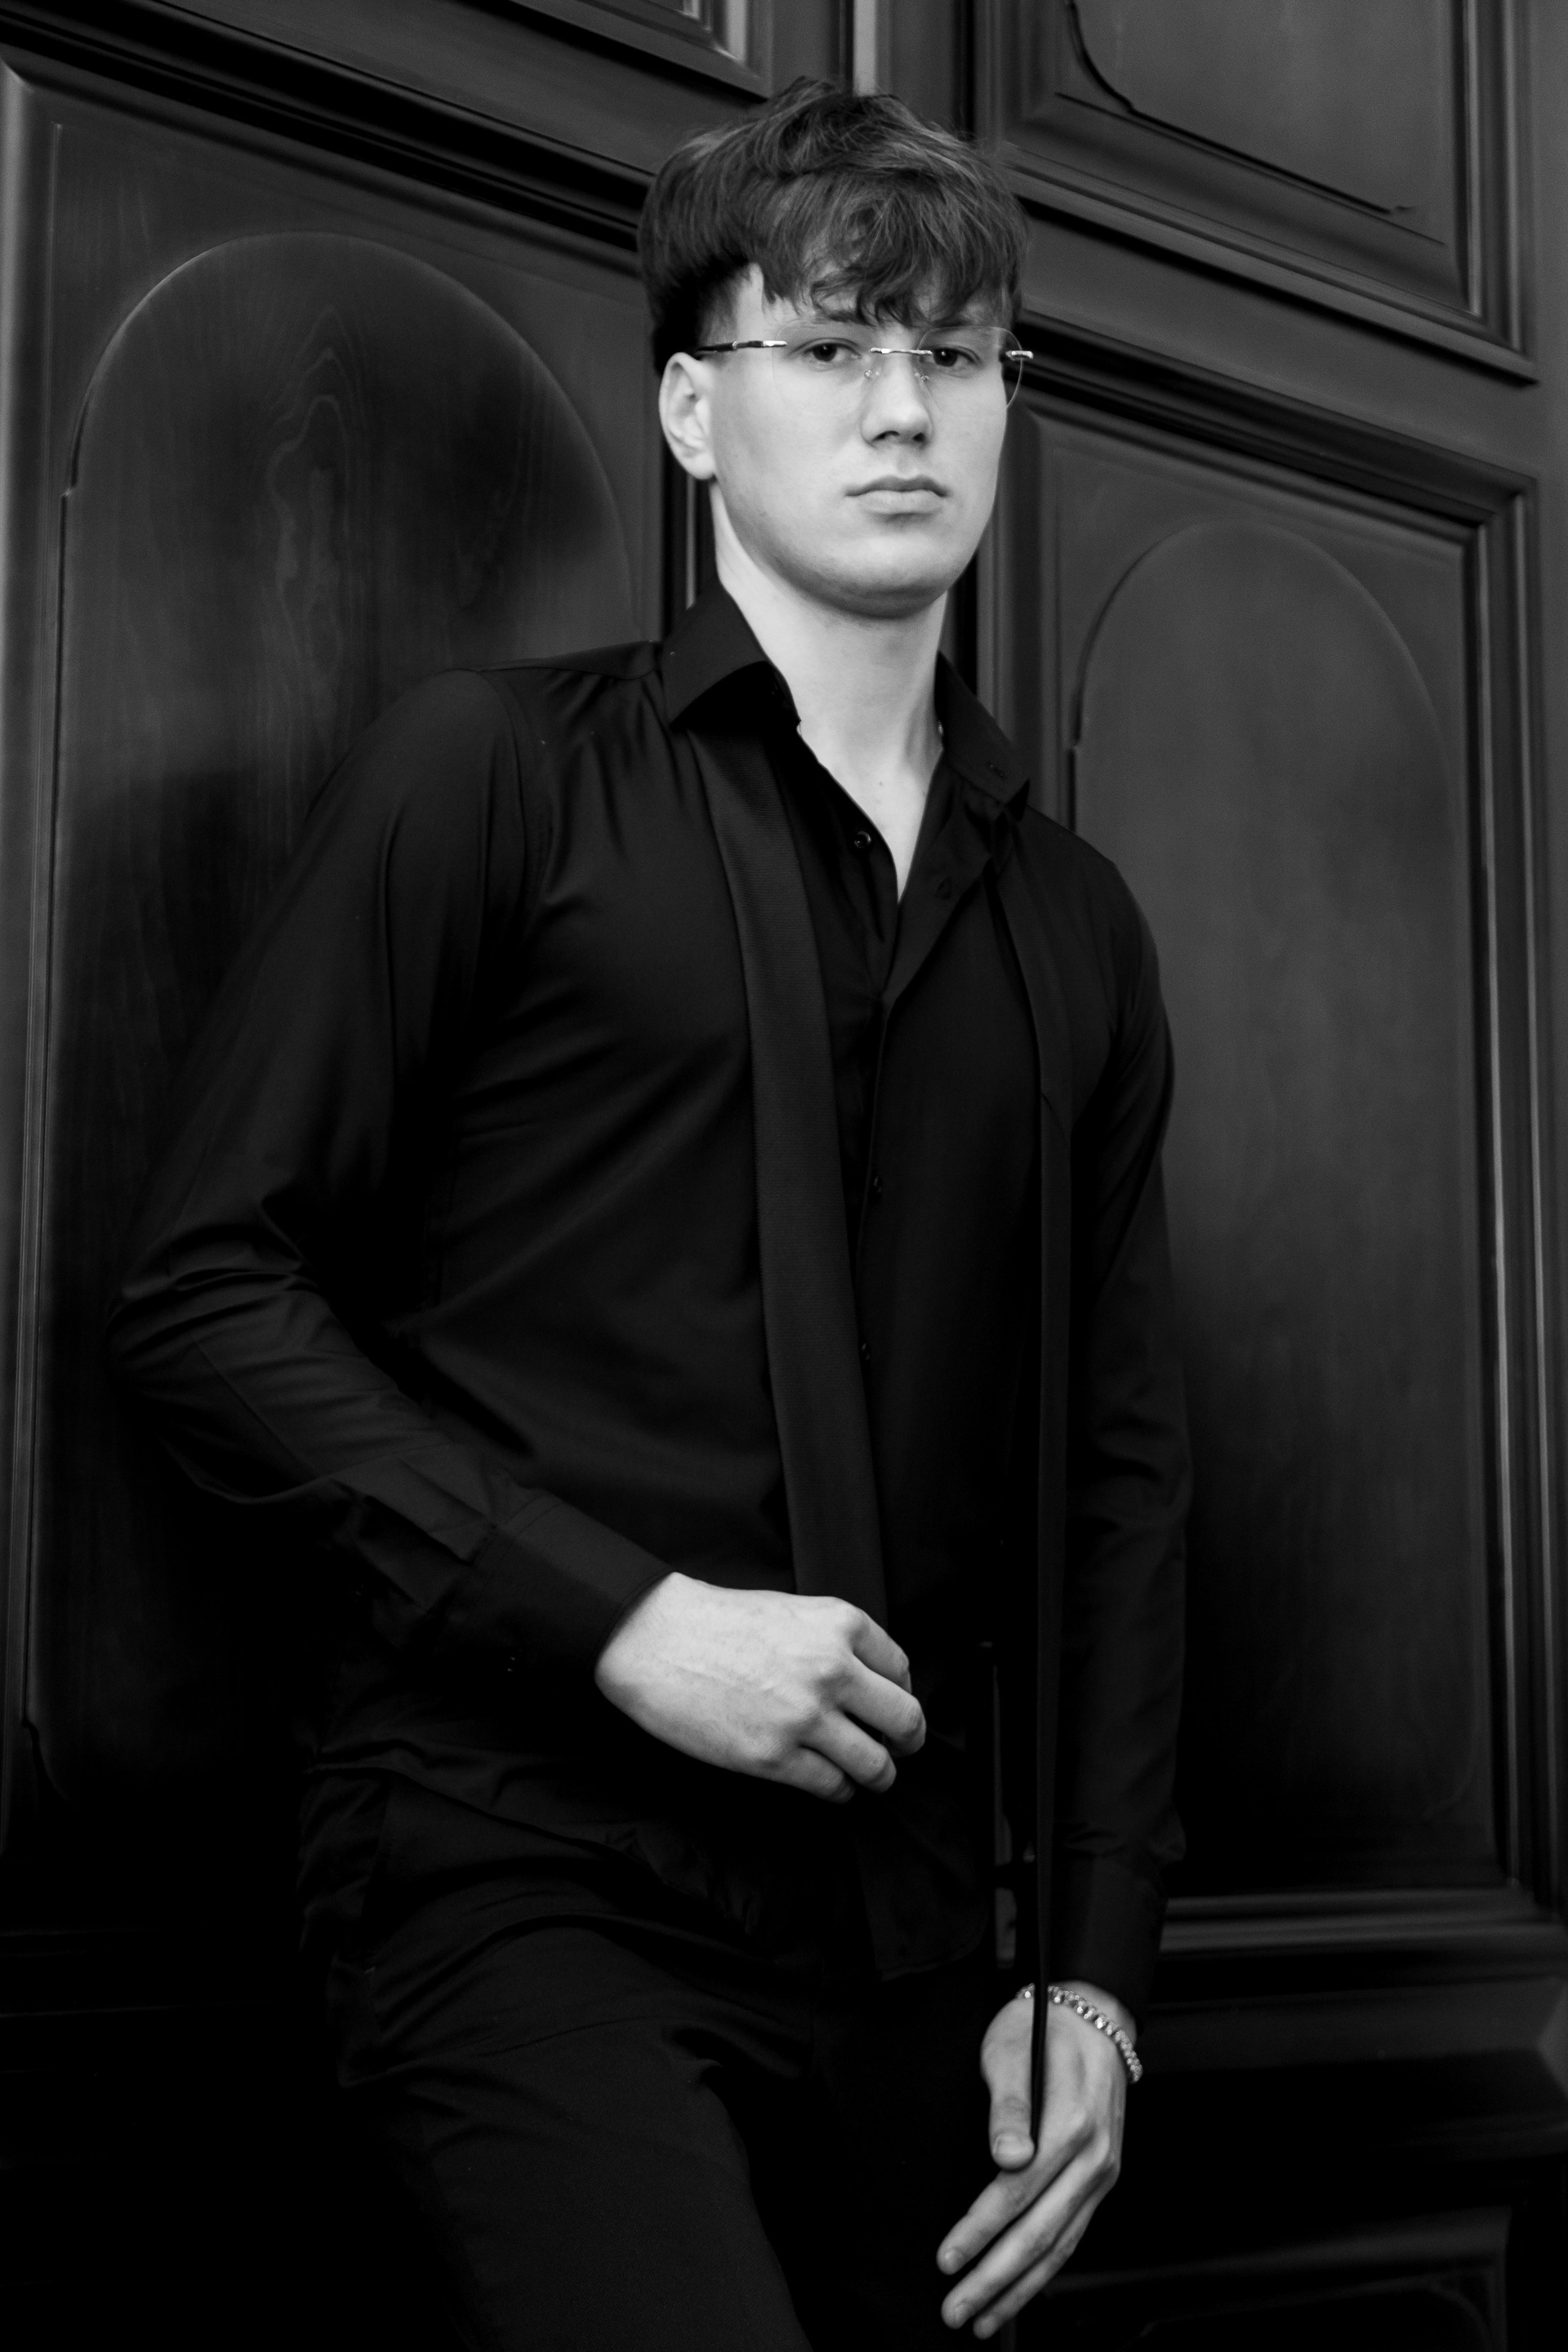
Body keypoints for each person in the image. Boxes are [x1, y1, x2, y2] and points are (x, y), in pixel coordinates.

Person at [108, 78, 1187, 2352]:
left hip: (909, 1942)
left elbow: (1118, 1481)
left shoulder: (1080, 931)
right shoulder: (490, 774)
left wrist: (1092, 1975)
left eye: (955, 354)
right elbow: (206, 1298)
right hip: (517, 1866)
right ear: (697, 410)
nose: (902, 407)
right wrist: (624, 1621)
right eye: (831, 346)